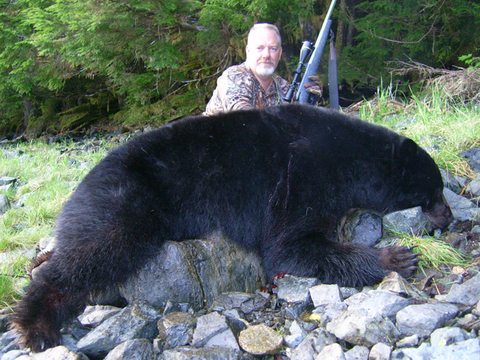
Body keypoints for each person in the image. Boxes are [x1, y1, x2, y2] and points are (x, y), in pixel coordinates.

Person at [204, 23, 320, 116]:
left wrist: (310, 103)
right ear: (248, 51)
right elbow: (246, 123)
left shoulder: (284, 88)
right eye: (259, 48)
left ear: (280, 54)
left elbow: (300, 128)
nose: (266, 55)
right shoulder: (234, 77)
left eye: (273, 49)